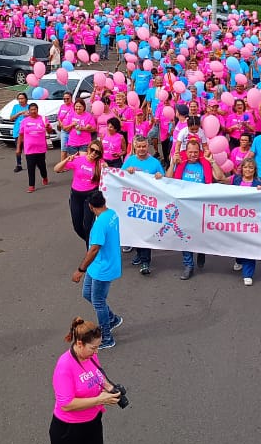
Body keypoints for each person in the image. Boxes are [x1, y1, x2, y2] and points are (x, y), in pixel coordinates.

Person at [49, 318, 122, 444]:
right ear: (79, 344)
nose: (96, 352)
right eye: (93, 348)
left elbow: (98, 376)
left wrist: (109, 387)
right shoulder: (64, 366)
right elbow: (66, 404)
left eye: (98, 347)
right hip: (70, 431)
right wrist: (100, 400)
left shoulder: (90, 356)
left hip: (92, 423)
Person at [169, 137, 226, 280]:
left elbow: (221, 177)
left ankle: (201, 251)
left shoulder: (205, 164)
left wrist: (212, 161)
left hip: (201, 208)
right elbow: (167, 179)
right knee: (184, 236)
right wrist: (171, 164)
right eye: (190, 152)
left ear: (199, 152)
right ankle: (188, 265)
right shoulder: (179, 163)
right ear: (186, 152)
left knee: (201, 234)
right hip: (183, 207)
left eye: (195, 152)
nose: (193, 155)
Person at [72, 192, 122, 349]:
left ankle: (107, 338)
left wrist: (81, 269)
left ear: (90, 206)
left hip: (102, 268)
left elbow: (94, 249)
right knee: (87, 294)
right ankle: (112, 319)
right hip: (97, 266)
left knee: (98, 301)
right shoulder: (112, 214)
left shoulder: (100, 224)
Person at [121, 136, 164, 275]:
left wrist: (159, 176)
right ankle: (139, 254)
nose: (141, 149)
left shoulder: (155, 163)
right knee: (135, 232)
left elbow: (164, 182)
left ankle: (146, 262)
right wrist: (127, 172)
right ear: (134, 147)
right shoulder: (130, 161)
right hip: (132, 204)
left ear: (148, 146)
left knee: (145, 232)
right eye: (138, 147)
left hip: (148, 205)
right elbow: (119, 178)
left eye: (144, 146)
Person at [55, 139, 105, 243]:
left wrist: (107, 167)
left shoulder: (100, 164)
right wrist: (67, 160)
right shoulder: (78, 160)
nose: (94, 153)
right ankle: (92, 242)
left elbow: (111, 174)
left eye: (97, 152)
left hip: (89, 197)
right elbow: (56, 169)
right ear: (88, 148)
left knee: (87, 227)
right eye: (92, 150)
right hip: (76, 196)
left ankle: (91, 251)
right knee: (77, 227)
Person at [231, 157, 261, 286]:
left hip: (251, 220)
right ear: (242, 168)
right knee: (238, 242)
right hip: (235, 217)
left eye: (251, 167)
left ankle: (248, 274)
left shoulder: (258, 184)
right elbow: (221, 180)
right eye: (245, 167)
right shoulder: (235, 180)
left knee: (250, 245)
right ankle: (239, 260)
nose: (248, 170)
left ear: (254, 170)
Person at [17, 102, 54, 193]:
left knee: (42, 166)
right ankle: (31, 185)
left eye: (35, 109)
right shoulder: (25, 121)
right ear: (29, 111)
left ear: (37, 110)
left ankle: (44, 177)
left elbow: (50, 131)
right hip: (29, 149)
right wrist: (18, 148)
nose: (33, 111)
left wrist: (48, 127)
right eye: (31, 110)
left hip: (41, 148)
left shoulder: (43, 119)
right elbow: (21, 135)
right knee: (31, 167)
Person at [10, 92, 30, 172]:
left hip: (28, 132)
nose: (21, 100)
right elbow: (11, 118)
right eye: (19, 99)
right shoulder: (15, 107)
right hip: (18, 131)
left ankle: (30, 163)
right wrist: (19, 113)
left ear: (26, 99)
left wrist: (27, 115)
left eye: (22, 98)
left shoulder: (29, 107)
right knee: (18, 149)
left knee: (28, 149)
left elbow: (35, 115)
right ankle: (19, 165)